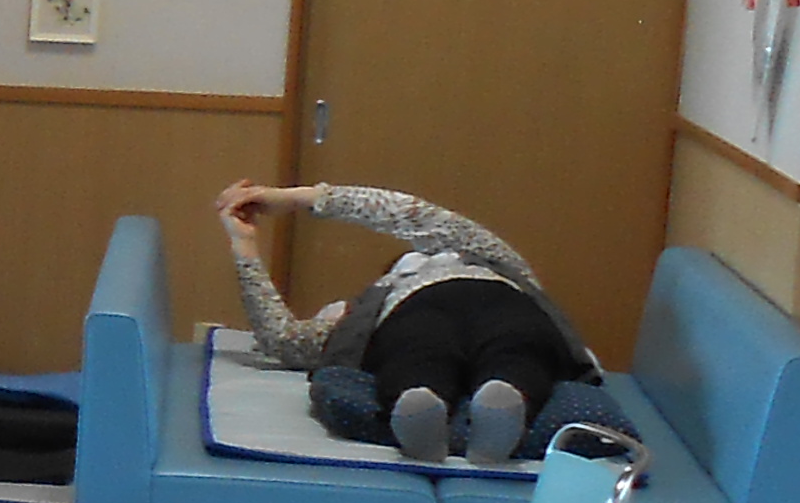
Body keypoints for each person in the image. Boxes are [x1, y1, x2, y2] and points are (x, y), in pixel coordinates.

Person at [215, 181, 613, 465]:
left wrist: (246, 244)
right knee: (518, 348)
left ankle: (420, 398)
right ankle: (506, 397)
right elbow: (408, 213)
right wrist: (295, 200)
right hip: (502, 300)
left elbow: (282, 339)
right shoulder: (501, 264)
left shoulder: (375, 302)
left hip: (414, 307)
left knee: (416, 352)